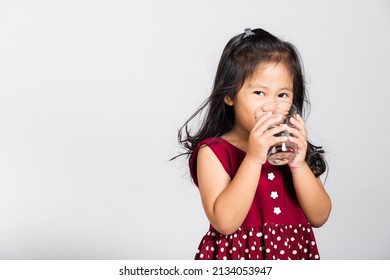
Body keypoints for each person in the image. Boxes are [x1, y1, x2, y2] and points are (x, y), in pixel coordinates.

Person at [173, 28, 332, 260]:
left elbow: (320, 216)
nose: (272, 105)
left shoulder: (292, 148)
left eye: (282, 95)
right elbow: (225, 223)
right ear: (229, 95)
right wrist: (255, 158)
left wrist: (299, 165)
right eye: (259, 92)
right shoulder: (214, 152)